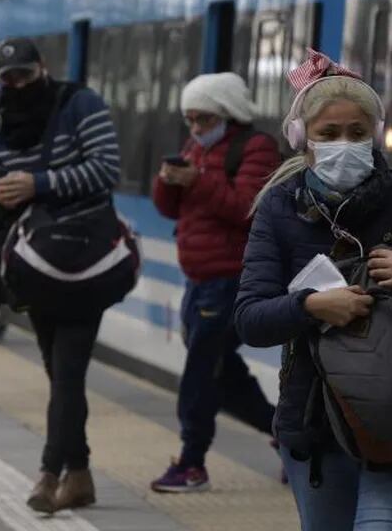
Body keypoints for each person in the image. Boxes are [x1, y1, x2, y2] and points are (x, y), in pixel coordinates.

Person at [234, 50, 392, 531]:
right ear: (303, 140)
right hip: (313, 421)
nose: (343, 144)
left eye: (357, 133)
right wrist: (310, 305)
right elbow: (249, 318)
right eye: (328, 134)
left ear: (376, 136)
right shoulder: (279, 209)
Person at [0, 38, 120, 513]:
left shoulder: (79, 103)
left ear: (42, 68)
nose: (16, 84)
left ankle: (47, 475)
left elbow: (107, 169)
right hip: (35, 259)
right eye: (7, 78)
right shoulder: (0, 119)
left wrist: (39, 184)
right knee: (58, 371)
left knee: (67, 371)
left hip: (85, 255)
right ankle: (79, 475)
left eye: (23, 74)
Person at [150, 73, 280, 493]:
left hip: (232, 278)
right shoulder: (197, 148)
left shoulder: (256, 148)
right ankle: (292, 436)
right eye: (189, 120)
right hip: (199, 280)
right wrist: (167, 181)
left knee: (201, 371)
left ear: (226, 113)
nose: (195, 129)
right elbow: (170, 210)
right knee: (223, 373)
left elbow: (248, 208)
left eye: (203, 119)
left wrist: (198, 181)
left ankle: (191, 462)